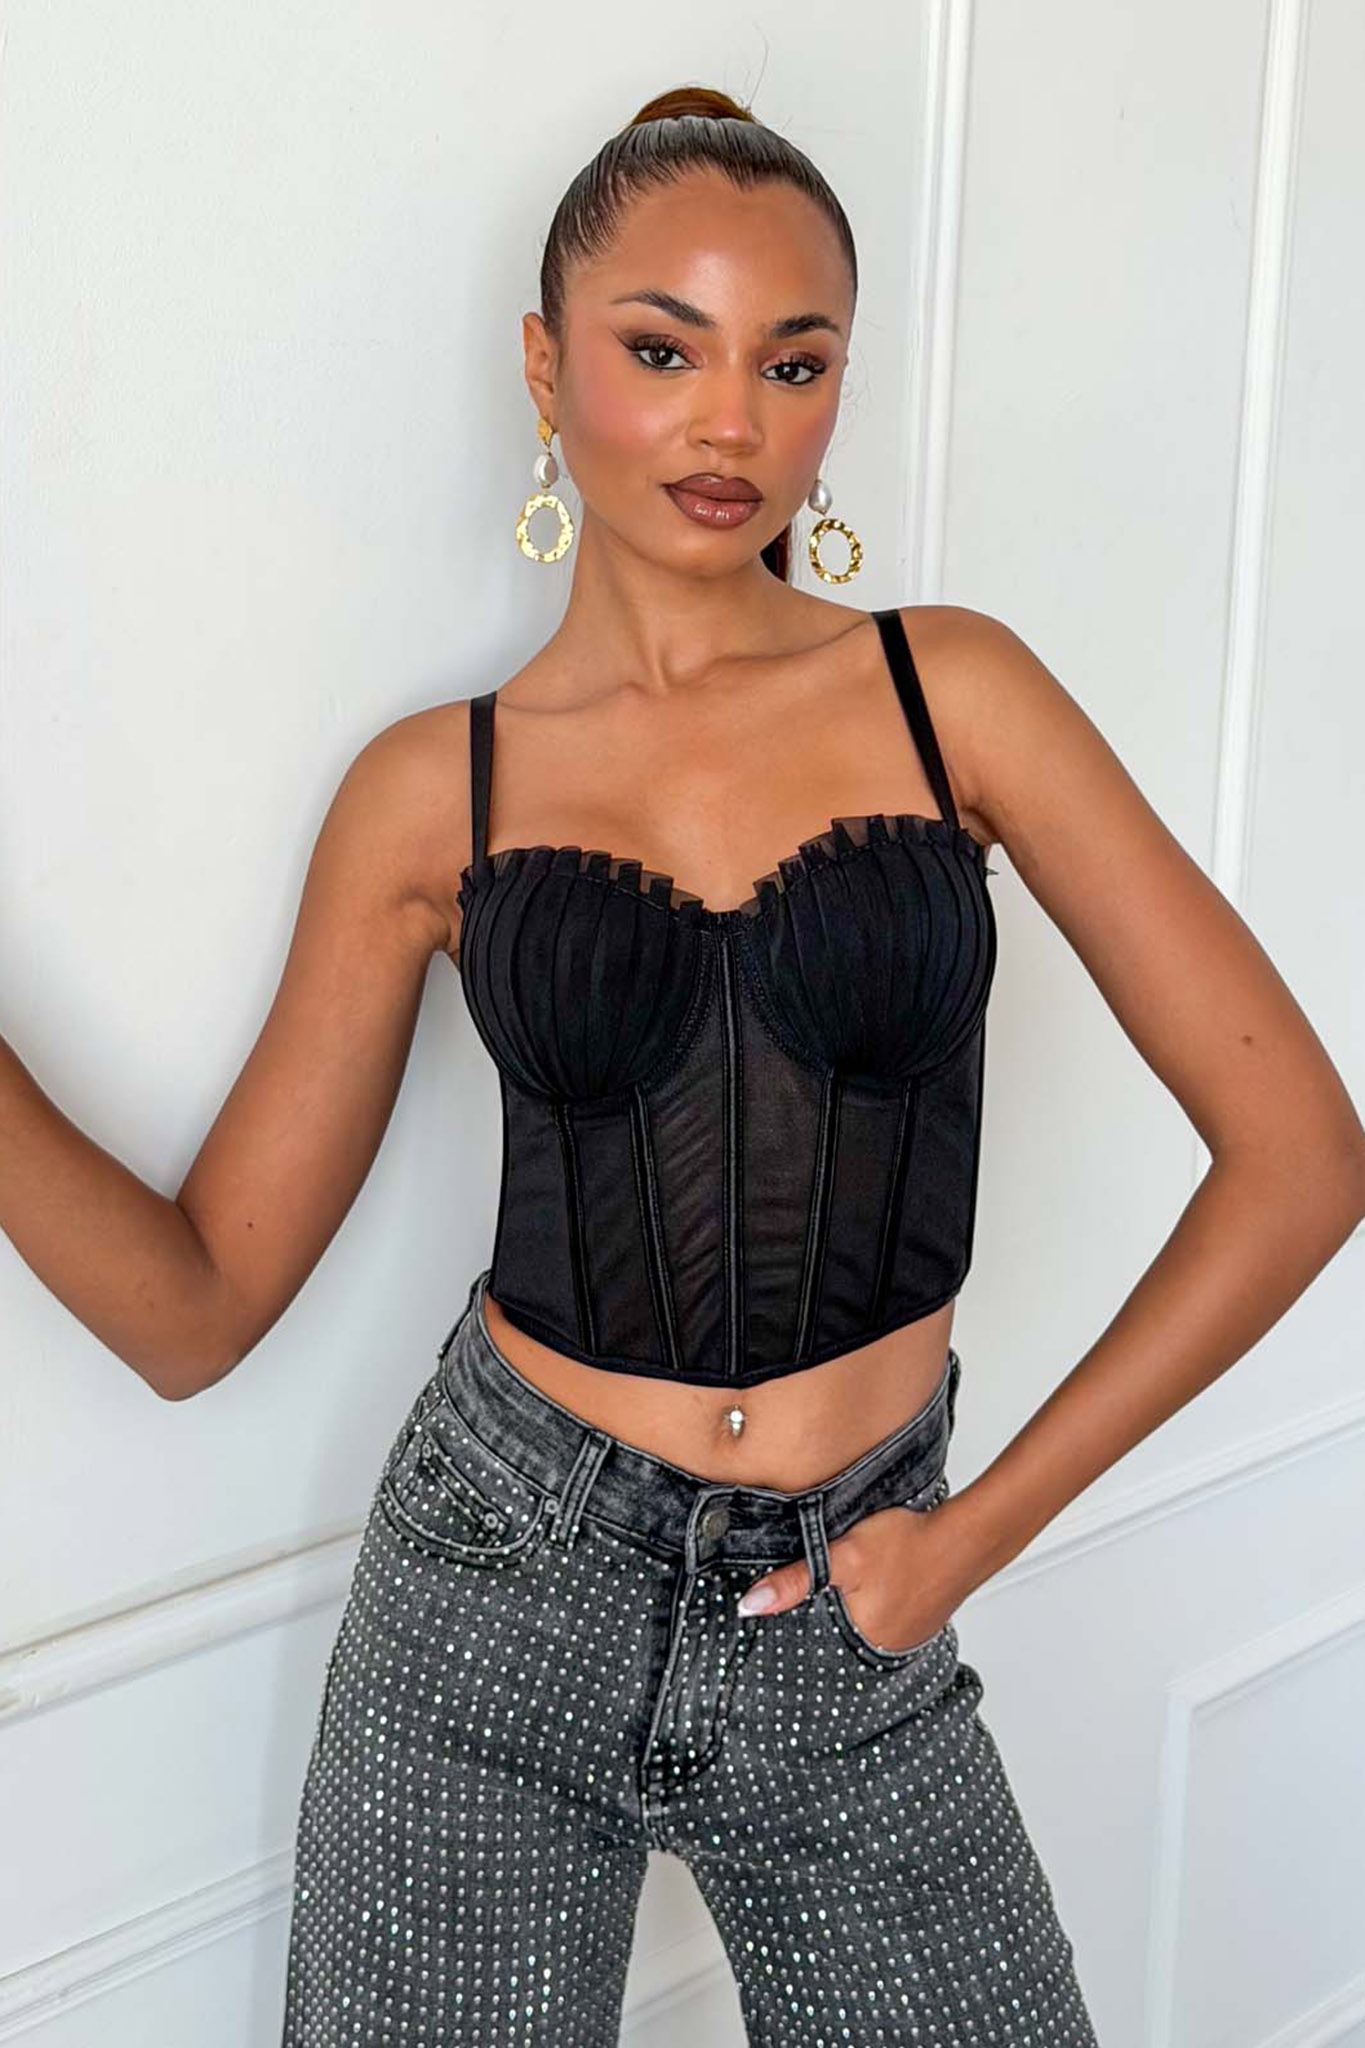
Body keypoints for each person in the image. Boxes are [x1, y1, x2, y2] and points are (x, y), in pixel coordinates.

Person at [6, 84, 1364, 2048]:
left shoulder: (949, 692)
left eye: (790, 363)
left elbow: (1300, 1155)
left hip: (856, 1600)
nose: (731, 422)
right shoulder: (432, 792)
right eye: (663, 350)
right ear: (544, 369)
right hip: (495, 1590)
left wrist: (963, 1541)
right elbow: (195, 1306)